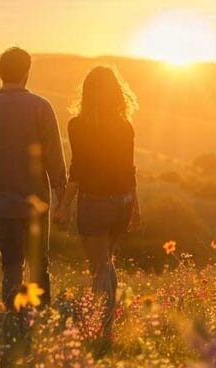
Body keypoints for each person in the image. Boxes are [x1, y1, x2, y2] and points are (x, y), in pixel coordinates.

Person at [0, 47, 66, 310]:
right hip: (37, 204)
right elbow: (54, 157)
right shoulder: (42, 107)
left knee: (11, 265)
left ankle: (13, 319)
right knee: (38, 265)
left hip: (1, 204)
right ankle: (41, 320)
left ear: (0, 72)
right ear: (27, 72)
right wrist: (61, 197)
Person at [53, 66, 141, 331]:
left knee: (100, 265)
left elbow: (78, 168)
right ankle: (107, 320)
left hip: (95, 202)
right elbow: (130, 169)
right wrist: (136, 206)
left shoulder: (78, 125)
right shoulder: (125, 126)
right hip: (122, 201)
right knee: (107, 261)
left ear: (87, 93)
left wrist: (64, 205)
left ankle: (102, 327)